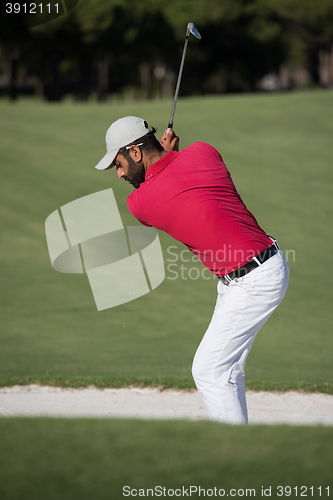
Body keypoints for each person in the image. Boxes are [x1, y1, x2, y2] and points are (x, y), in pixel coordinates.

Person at [95, 116, 289, 424]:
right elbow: (181, 172)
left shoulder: (139, 203)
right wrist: (172, 155)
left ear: (135, 152)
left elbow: (157, 186)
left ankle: (234, 453)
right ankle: (240, 439)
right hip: (255, 270)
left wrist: (168, 158)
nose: (118, 174)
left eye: (118, 164)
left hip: (253, 281)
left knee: (208, 370)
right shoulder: (203, 151)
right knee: (228, 369)